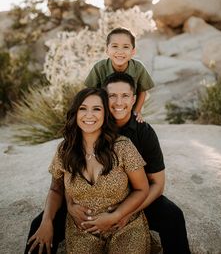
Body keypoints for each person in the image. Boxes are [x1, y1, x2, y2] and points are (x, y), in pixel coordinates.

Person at [25, 73, 191, 254]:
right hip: (85, 204)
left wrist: (123, 214)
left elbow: (156, 185)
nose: (119, 102)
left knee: (172, 215)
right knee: (39, 228)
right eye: (112, 96)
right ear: (105, 97)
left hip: (128, 200)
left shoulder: (140, 134)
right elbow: (57, 185)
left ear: (133, 99)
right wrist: (68, 205)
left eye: (125, 96)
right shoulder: (68, 147)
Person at [27, 87, 150, 254]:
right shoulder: (65, 150)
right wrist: (46, 221)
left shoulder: (123, 147)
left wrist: (115, 216)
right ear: (75, 113)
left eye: (97, 109)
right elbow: (56, 189)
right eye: (83, 108)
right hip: (81, 230)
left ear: (105, 114)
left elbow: (142, 189)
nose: (89, 115)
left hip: (124, 225)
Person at [85, 27, 154, 122]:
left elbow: (142, 92)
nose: (120, 51)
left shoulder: (138, 68)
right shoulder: (99, 68)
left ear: (133, 51)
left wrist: (136, 112)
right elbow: (90, 92)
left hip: (127, 112)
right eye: (115, 46)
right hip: (105, 112)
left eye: (125, 47)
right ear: (107, 50)